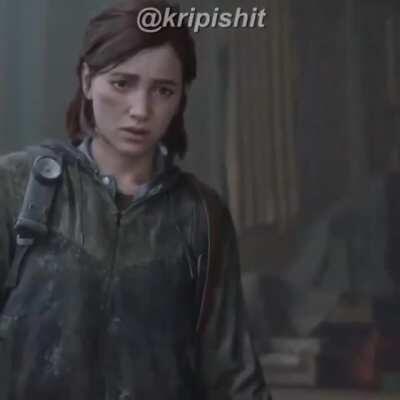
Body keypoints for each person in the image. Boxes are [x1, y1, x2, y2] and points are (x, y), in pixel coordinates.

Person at [0, 0, 271, 399]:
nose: (141, 110)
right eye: (122, 83)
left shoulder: (200, 216)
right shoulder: (17, 187)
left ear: (181, 97)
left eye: (163, 90)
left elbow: (231, 377)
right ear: (88, 80)